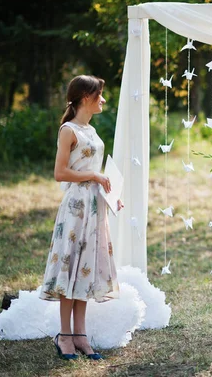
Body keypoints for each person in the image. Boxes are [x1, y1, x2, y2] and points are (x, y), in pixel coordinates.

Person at [39, 75, 122, 360]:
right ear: (86, 96)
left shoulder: (91, 129)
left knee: (86, 267)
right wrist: (94, 176)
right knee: (70, 265)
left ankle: (81, 335)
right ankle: (64, 335)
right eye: (100, 95)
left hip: (95, 206)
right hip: (76, 207)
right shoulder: (69, 130)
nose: (104, 100)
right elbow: (60, 173)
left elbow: (96, 170)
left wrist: (111, 192)